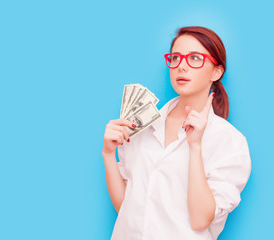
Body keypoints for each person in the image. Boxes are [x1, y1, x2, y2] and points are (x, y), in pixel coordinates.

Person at [102, 26, 251, 240]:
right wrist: (108, 155)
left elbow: (200, 220)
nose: (182, 66)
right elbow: (127, 208)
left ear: (217, 72)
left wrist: (195, 146)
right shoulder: (140, 126)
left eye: (195, 58)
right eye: (176, 58)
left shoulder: (229, 142)